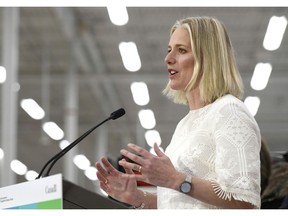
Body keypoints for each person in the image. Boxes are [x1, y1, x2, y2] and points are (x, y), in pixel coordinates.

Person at [95, 16, 261, 209]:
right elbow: (181, 203)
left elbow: (245, 202)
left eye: (181, 50)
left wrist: (175, 178)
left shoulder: (229, 112)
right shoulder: (185, 124)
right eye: (169, 50)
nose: (168, 58)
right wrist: (137, 197)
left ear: (208, 57)